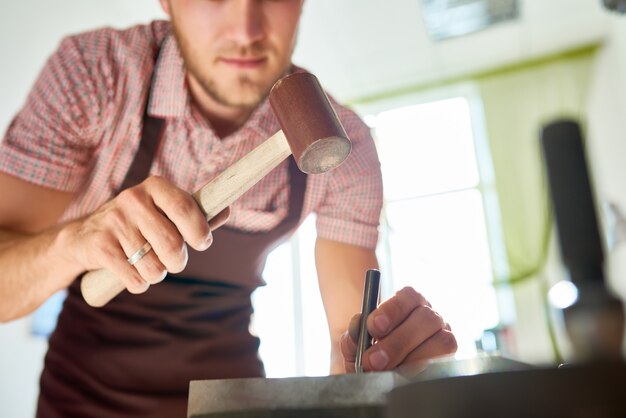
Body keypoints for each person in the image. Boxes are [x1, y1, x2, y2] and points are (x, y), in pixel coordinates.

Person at [0, 0, 457, 416]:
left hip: (230, 404)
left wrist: (384, 364)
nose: (245, 28)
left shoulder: (347, 146)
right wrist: (72, 244)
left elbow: (351, 350)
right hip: (81, 400)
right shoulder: (93, 73)